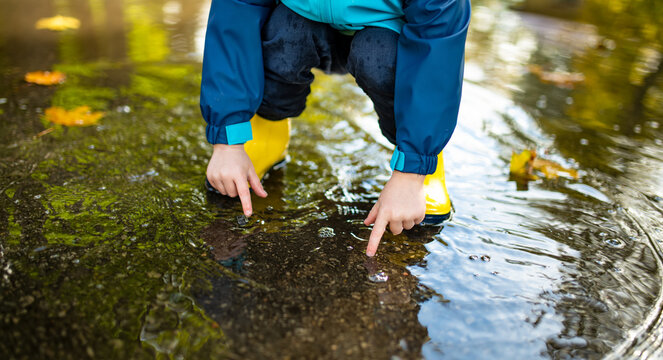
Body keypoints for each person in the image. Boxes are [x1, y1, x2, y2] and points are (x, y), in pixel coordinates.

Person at [201, 0, 471, 256]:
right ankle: (268, 129)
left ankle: (424, 165)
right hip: (300, 17)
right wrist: (227, 137)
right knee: (282, 33)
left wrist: (413, 169)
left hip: (387, 32)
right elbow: (235, 12)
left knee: (379, 56)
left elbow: (436, 43)